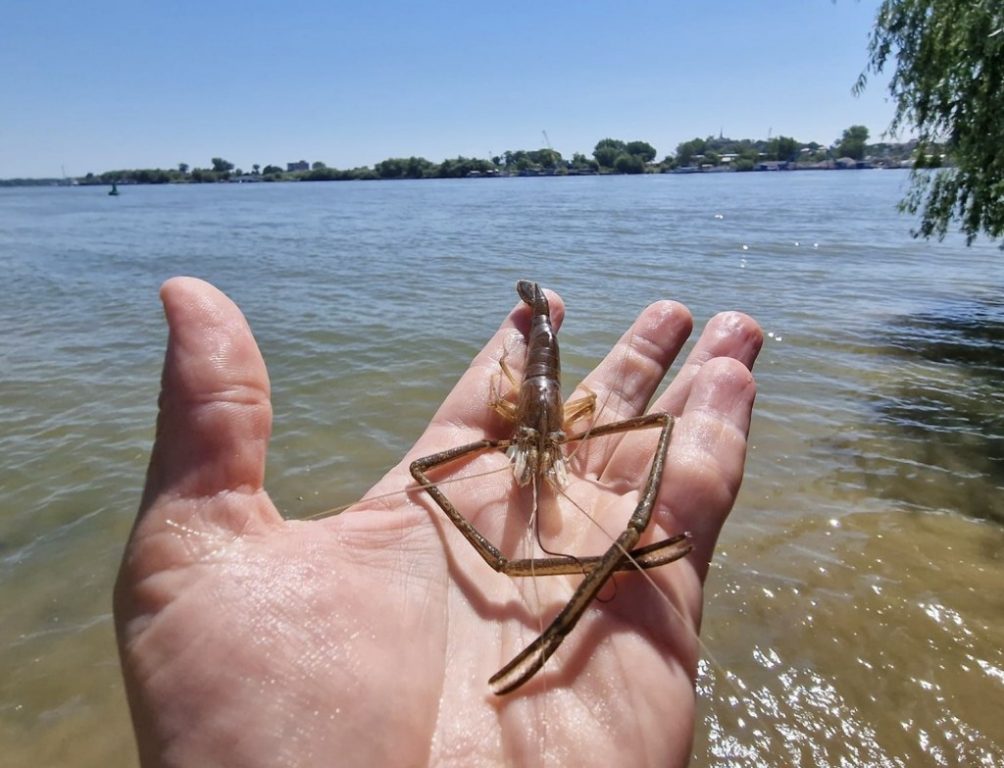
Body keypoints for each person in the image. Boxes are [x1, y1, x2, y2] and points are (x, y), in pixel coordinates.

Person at [114, 277, 762, 767]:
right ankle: (538, 319)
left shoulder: (567, 418)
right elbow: (472, 443)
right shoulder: (516, 419)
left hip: (546, 395)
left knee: (632, 507)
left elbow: (572, 419)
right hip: (534, 393)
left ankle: (543, 327)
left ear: (572, 420)